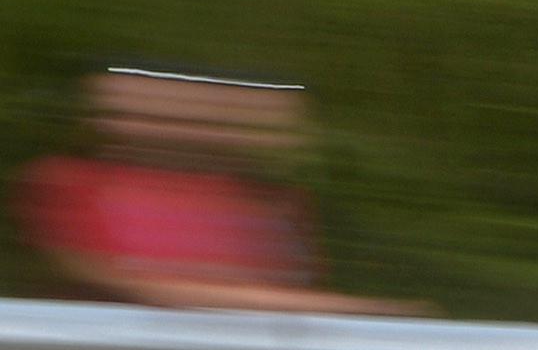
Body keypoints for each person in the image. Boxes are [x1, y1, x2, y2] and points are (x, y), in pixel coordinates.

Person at [21, 66, 426, 316]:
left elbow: (289, 289)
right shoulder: (71, 184)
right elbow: (145, 290)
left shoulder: (270, 204)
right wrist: (352, 312)